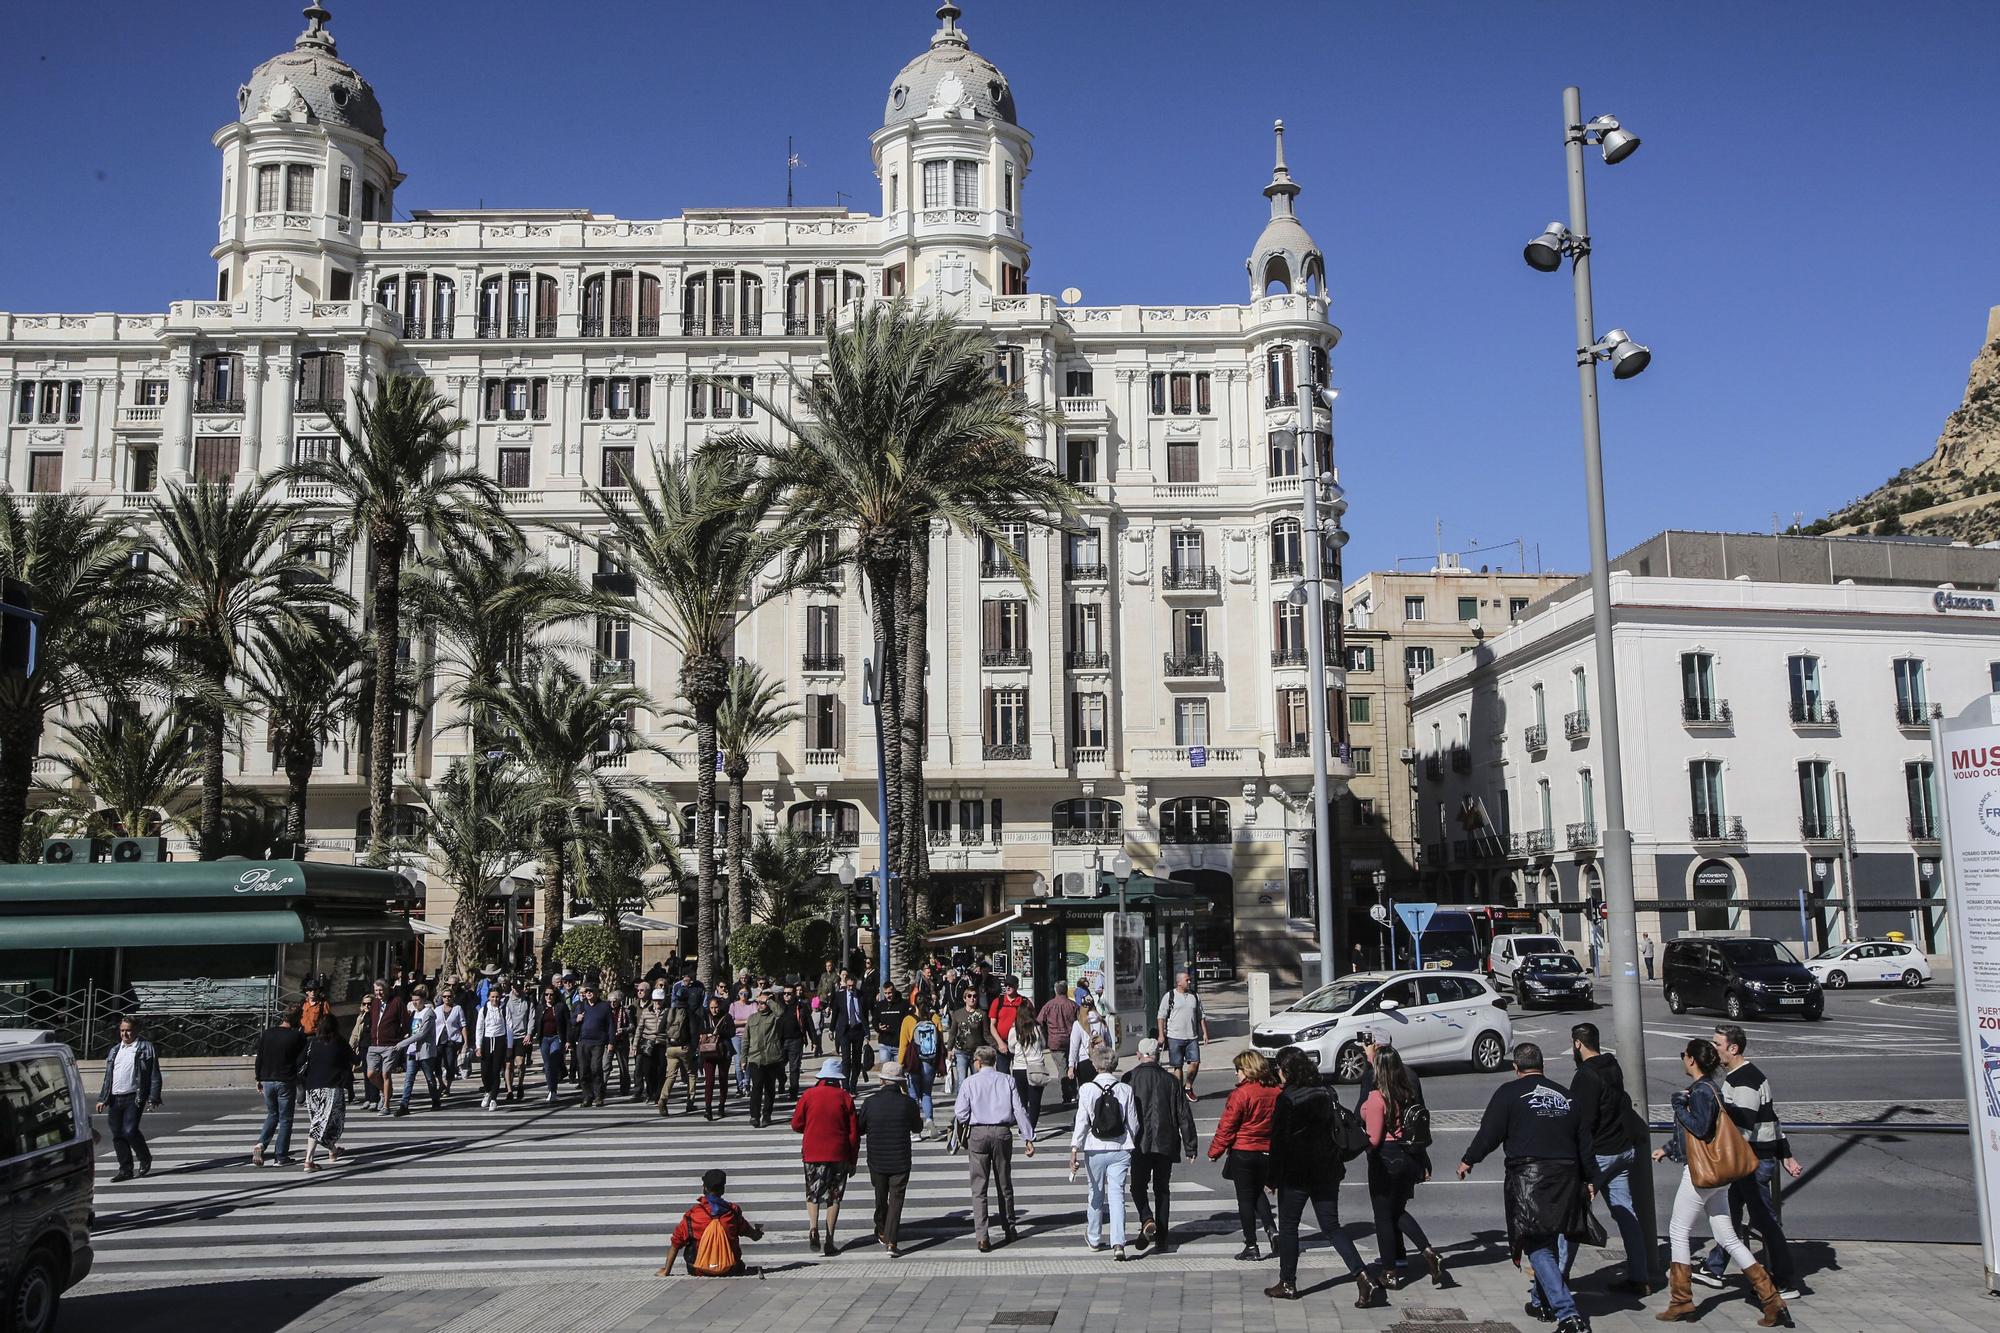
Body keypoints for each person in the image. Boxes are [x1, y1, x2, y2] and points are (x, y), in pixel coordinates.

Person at [1457, 1044, 1597, 1333]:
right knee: (1551, 1239)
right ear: (1542, 1065)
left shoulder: (1508, 1093)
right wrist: (1590, 1179)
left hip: (1529, 1179)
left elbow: (1489, 1133)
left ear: (1516, 1067)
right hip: (1566, 1176)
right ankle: (1541, 1301)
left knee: (1537, 1245)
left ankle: (1568, 1314)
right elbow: (1584, 1141)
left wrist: (1469, 1159)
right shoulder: (1567, 1097)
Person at [1653, 1038, 1790, 1326]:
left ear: (1691, 1060)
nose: (1683, 1059)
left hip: (1702, 1174)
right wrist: (1668, 1149)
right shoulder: (1712, 1088)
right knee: (1727, 1235)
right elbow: (1697, 1133)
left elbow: (1700, 1129)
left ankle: (1681, 1302)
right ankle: (1771, 1299)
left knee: (1678, 1230)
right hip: (1720, 1175)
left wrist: (1678, 1106)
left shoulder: (1701, 1091)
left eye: (1684, 1055)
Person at [1695, 1025, 1803, 1303]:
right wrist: (1786, 1153)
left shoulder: (1744, 1081)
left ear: (1734, 1048)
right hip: (1753, 1160)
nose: (1714, 1049)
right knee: (1729, 1216)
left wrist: (1717, 1154)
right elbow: (1772, 1119)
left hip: (1751, 1163)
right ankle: (1714, 1268)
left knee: (1766, 1222)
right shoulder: (1743, 1076)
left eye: (1718, 1044)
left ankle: (1784, 1280)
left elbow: (1742, 1128)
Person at [1263, 1046, 1375, 1304]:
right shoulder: (1326, 1091)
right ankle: (1362, 1275)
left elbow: (1278, 1143)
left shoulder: (1288, 1099)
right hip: (1327, 1171)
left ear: (1288, 1070)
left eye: (1279, 1069)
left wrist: (1271, 1178)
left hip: (1297, 1174)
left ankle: (1287, 1283)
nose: (1277, 1074)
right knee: (1332, 1226)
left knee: (1289, 1227)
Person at [1570, 1022, 1650, 1294]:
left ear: (1577, 1043)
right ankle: (1640, 1275)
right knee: (1625, 1212)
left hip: (1600, 1154)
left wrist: (1581, 1164)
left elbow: (1582, 1122)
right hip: (1622, 1150)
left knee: (1573, 1216)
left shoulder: (1585, 1076)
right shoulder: (1611, 1066)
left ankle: (1555, 1277)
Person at [1361, 1044, 1443, 1291]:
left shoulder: (1378, 1098)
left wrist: (1361, 1144)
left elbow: (1374, 1139)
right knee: (1397, 1212)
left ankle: (1389, 1273)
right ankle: (1429, 1252)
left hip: (1385, 1160)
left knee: (1383, 1218)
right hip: (1407, 1157)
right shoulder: (1406, 1093)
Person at [954, 1044, 1037, 1252]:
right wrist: (1028, 1137)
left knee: (979, 1188)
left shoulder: (969, 1082)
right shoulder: (1007, 1080)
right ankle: (1010, 1229)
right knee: (1004, 1184)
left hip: (978, 1133)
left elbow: (961, 1113)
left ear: (979, 1062)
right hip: (1002, 1132)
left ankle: (982, 1237)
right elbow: (1019, 1109)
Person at [1123, 1037, 1197, 1254]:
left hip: (1140, 1142)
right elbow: (1183, 1114)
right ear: (1158, 1055)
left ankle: (1147, 1218)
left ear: (1139, 1054)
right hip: (1166, 1141)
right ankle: (1162, 1238)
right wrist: (1190, 1145)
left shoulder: (1130, 1078)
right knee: (1162, 1190)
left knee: (1138, 1186)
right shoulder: (1171, 1080)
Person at [1208, 1049, 1281, 1260]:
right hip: (1267, 1150)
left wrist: (1215, 1151)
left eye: (1238, 1070)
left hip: (1244, 1152)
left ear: (1247, 1070)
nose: (1236, 1074)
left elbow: (1227, 1127)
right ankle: (1273, 1231)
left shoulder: (1241, 1094)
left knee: (1245, 1200)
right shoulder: (1276, 1091)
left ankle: (1251, 1245)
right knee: (1258, 1192)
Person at [1069, 1043, 1137, 1260]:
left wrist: (1074, 1149)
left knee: (1095, 1193)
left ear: (1095, 1065)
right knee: (1117, 1195)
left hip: (1095, 1147)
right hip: (1120, 1146)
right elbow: (1133, 1123)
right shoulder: (1125, 1089)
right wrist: (1129, 1140)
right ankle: (1119, 1242)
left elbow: (1082, 1122)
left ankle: (1095, 1237)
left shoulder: (1087, 1089)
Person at [791, 1057, 860, 1255]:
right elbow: (853, 1134)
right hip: (839, 1153)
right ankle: (830, 1239)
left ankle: (813, 1227)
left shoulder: (809, 1095)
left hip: (812, 1152)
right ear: (838, 1079)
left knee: (813, 1193)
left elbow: (796, 1124)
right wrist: (853, 1159)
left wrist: (810, 1127)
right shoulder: (845, 1097)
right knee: (834, 1196)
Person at [857, 1060, 923, 1257]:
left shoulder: (870, 1102)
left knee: (880, 1196)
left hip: (877, 1159)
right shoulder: (908, 1103)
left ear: (882, 1081)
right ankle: (891, 1241)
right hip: (900, 1159)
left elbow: (860, 1128)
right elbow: (917, 1128)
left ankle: (882, 1228)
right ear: (901, 1082)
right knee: (896, 1199)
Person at [659, 1168, 765, 1276]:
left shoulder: (692, 1214)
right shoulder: (733, 1211)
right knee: (738, 1261)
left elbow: (676, 1243)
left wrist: (666, 1271)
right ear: (723, 1190)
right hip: (731, 1268)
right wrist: (757, 1233)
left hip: (699, 1270)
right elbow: (752, 1234)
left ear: (704, 1188)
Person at [95, 1018, 161, 1181]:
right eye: (122, 1030)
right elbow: (108, 1077)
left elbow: (154, 1074)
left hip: (134, 1096)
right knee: (117, 1133)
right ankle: (125, 1169)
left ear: (137, 1030)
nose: (125, 1033)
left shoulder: (145, 1048)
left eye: (128, 1030)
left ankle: (144, 1157)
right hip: (115, 1097)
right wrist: (102, 1098)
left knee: (130, 1130)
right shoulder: (115, 1050)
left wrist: (153, 1097)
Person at [251, 1006, 306, 1167]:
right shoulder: (297, 1036)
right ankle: (281, 1156)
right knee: (286, 1119)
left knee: (272, 1114)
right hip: (285, 1080)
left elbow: (259, 1057)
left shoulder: (268, 1033)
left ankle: (261, 1144)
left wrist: (258, 1078)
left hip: (267, 1079)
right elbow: (301, 1060)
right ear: (297, 1019)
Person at [298, 1012, 352, 1171]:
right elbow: (353, 1060)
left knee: (321, 1120)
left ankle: (333, 1150)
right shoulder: (340, 1042)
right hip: (331, 1087)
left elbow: (300, 1062)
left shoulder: (312, 1043)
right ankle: (309, 1160)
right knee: (324, 1122)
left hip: (312, 1088)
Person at [1157, 971, 1212, 1103]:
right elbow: (1161, 1016)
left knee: (1195, 1062)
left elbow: (1201, 1016)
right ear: (1179, 982)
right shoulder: (1169, 996)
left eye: (1189, 980)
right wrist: (1161, 1035)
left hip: (1192, 1036)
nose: (1189, 982)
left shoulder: (1194, 996)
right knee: (1178, 1066)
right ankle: (1179, 1092)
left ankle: (1188, 1087)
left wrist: (1205, 1033)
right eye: (1187, 980)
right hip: (1175, 1036)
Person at [356, 978, 405, 1112]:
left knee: (385, 1074)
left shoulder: (396, 1002)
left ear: (387, 989)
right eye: (376, 990)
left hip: (389, 1044)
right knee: (371, 1073)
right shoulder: (376, 1003)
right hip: (374, 1044)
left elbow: (404, 1021)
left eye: (380, 990)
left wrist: (399, 1038)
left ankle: (386, 1105)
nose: (378, 993)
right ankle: (386, 1090)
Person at [392, 985, 442, 1115]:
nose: (414, 1002)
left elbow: (422, 1033)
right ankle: (404, 1105)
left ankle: (435, 1100)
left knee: (429, 1078)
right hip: (412, 1051)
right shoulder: (414, 1013)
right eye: (413, 1000)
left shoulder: (429, 1013)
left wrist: (402, 1043)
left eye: (417, 1000)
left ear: (424, 1000)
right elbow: (410, 1031)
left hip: (424, 1051)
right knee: (409, 1078)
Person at [899, 1000, 943, 1134]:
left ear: (914, 1005)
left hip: (914, 1061)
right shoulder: (934, 1018)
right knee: (926, 1093)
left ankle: (916, 1130)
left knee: (913, 1095)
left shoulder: (908, 1019)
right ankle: (929, 1120)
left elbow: (903, 1044)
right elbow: (940, 1041)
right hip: (930, 1061)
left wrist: (900, 1064)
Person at [744, 991, 786, 1127]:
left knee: (769, 1089)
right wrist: (743, 1059)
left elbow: (780, 1012)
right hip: (755, 1058)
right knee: (756, 1087)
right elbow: (746, 1039)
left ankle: (766, 1115)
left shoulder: (774, 1016)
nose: (760, 1005)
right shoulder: (752, 1018)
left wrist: (769, 1000)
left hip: (771, 1057)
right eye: (759, 1003)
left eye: (763, 1003)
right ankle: (754, 1116)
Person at [1036, 981, 1081, 1105]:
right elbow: (1081, 1021)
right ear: (1066, 990)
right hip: (1071, 1039)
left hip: (1055, 1041)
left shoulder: (1049, 1005)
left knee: (1063, 1068)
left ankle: (1068, 1094)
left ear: (1056, 990)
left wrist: (1043, 1036)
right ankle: (1073, 1092)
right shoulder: (1073, 1005)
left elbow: (1039, 1021)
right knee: (1071, 1065)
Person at [1008, 1015, 1055, 1134]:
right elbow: (1043, 1045)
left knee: (1021, 1101)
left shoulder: (1014, 1030)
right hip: (1037, 1067)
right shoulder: (1037, 1029)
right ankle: (1031, 1128)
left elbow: (1011, 1048)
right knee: (1035, 1102)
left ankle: (1022, 1128)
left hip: (1019, 1067)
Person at [658, 989, 698, 1115]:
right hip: (684, 1048)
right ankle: (690, 1101)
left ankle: (663, 1098)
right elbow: (693, 1032)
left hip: (670, 1048)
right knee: (691, 1073)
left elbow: (660, 1029)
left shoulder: (669, 1011)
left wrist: (668, 1042)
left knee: (671, 1075)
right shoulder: (689, 1012)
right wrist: (693, 1047)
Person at [697, 994, 736, 1120]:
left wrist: (719, 1032)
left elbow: (732, 1032)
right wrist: (708, 1031)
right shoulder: (704, 1017)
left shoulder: (727, 1017)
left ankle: (721, 1106)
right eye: (712, 1007)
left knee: (723, 1079)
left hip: (723, 1051)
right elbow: (699, 1030)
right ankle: (708, 1109)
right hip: (708, 1051)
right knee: (709, 1081)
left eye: (716, 1007)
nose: (714, 1010)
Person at [475, 985, 513, 1110]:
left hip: (500, 1040)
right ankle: (487, 1091)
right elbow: (479, 1028)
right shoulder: (484, 1010)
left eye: (497, 997)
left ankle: (494, 1098)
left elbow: (509, 1028)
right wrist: (478, 1046)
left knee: (496, 1071)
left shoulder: (505, 1009)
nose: (495, 999)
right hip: (486, 1040)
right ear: (488, 998)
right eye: (492, 997)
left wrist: (509, 1046)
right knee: (485, 1071)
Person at [946, 989, 991, 1093]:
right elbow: (952, 1033)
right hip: (961, 1052)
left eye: (974, 996)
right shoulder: (958, 1014)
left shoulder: (982, 1014)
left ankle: (976, 1106)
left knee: (977, 1082)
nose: (972, 998)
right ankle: (962, 1106)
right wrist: (949, 1048)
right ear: (964, 999)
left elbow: (986, 1033)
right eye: (969, 996)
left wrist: (994, 1046)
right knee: (962, 1082)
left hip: (977, 1053)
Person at [831, 973, 870, 1090]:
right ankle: (845, 1085)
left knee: (857, 1059)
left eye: (853, 986)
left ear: (856, 985)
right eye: (848, 986)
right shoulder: (840, 996)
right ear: (846, 985)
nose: (851, 988)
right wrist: (831, 1029)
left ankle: (853, 1084)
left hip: (857, 1030)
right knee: (846, 1059)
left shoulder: (862, 996)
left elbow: (865, 1015)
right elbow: (835, 1014)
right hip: (845, 1030)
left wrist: (867, 1031)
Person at [504, 980, 537, 1103]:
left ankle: (520, 1084)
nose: (517, 990)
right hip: (509, 1036)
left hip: (522, 1035)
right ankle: (509, 1090)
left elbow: (531, 1018)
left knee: (520, 1063)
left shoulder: (527, 1001)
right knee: (508, 1065)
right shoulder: (506, 1001)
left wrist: (529, 1034)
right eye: (515, 988)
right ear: (512, 987)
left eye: (519, 988)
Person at [987, 975, 1029, 1072]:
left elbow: (1030, 1023)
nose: (1008, 987)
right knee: (1002, 1075)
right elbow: (992, 1025)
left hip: (1019, 1044)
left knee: (1020, 1075)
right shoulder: (998, 1002)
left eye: (1011, 985)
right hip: (1002, 1044)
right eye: (1006, 985)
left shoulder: (1024, 1002)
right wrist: (1000, 1043)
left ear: (1017, 986)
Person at [1068, 997, 1113, 1085]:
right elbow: (1109, 1042)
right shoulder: (1102, 1022)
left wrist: (1071, 1065)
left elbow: (1074, 1047)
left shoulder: (1078, 1024)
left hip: (1084, 1061)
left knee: (1086, 1091)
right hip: (1100, 1060)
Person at [537, 983, 570, 1103]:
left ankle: (553, 1090)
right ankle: (551, 1089)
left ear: (555, 995)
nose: (549, 997)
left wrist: (567, 1040)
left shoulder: (561, 1007)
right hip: (544, 1039)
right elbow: (537, 1023)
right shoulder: (540, 1007)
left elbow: (568, 1024)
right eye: (546, 994)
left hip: (557, 1037)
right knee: (547, 1066)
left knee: (554, 1061)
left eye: (551, 994)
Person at [433, 982, 466, 1094]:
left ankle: (448, 1087)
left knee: (450, 1064)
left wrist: (465, 1041)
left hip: (452, 1040)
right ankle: (441, 1084)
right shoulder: (437, 1009)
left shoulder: (458, 1008)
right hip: (438, 1040)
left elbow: (462, 1025)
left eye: (449, 996)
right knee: (436, 1064)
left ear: (453, 997)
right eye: (444, 996)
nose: (447, 998)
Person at [778, 984, 809, 1098]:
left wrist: (815, 1041)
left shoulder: (800, 1007)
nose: (786, 995)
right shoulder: (779, 1006)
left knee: (794, 1067)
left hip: (796, 1040)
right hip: (780, 1041)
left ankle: (793, 1091)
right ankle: (782, 1080)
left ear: (793, 994)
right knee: (779, 1066)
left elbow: (808, 1023)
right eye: (784, 993)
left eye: (789, 993)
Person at [872, 982, 909, 1075]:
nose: (888, 996)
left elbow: (908, 1022)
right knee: (885, 1072)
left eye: (890, 993)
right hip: (884, 1044)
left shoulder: (903, 1004)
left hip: (899, 1044)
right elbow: (875, 1021)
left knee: (898, 1072)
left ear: (894, 991)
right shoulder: (880, 1005)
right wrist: (878, 1027)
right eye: (885, 993)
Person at [728, 987, 757, 1094]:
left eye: (745, 993)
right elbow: (731, 1022)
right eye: (741, 993)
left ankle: (747, 1084)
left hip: (749, 1035)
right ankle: (739, 1086)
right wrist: (746, 1021)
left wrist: (740, 1021)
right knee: (738, 1061)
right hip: (736, 1036)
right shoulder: (733, 1005)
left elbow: (754, 1018)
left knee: (747, 1061)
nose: (743, 995)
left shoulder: (753, 1005)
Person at [814, 960, 838, 1054]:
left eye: (830, 966)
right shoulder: (823, 975)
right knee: (820, 1022)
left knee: (833, 1018)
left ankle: (833, 1035)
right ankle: (818, 1046)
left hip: (831, 1000)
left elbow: (836, 987)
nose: (828, 967)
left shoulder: (835, 976)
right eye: (827, 966)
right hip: (822, 999)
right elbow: (820, 985)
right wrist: (819, 995)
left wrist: (832, 997)